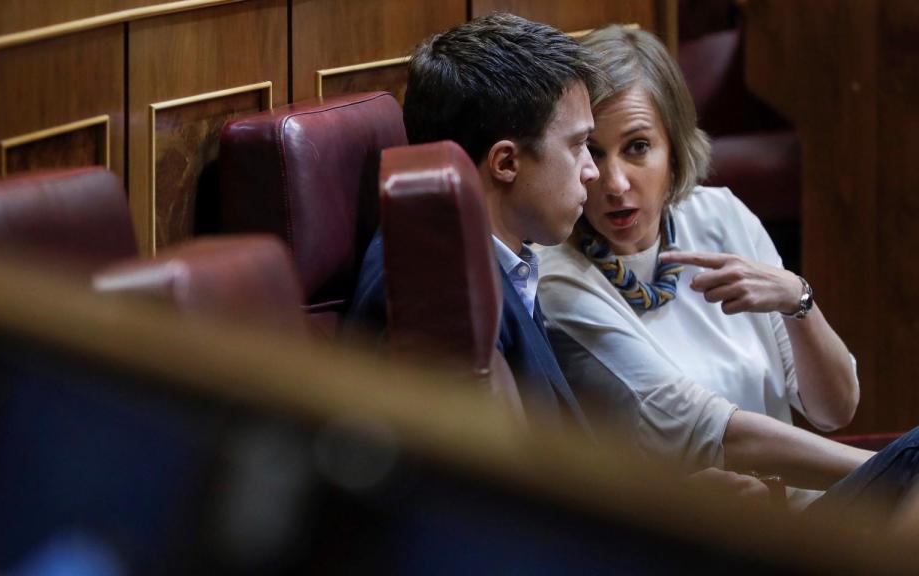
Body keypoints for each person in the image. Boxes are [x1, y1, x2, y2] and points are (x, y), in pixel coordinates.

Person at [537, 24, 919, 517]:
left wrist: (799, 300)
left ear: (674, 149)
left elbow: (835, 410)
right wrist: (896, 472)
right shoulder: (559, 278)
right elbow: (717, 433)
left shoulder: (718, 213)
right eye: (593, 151)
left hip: (812, 515)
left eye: (637, 147)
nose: (614, 183)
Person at [347, 13, 604, 431]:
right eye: (578, 146)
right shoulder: (439, 293)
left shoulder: (491, 257)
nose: (592, 171)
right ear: (506, 162)